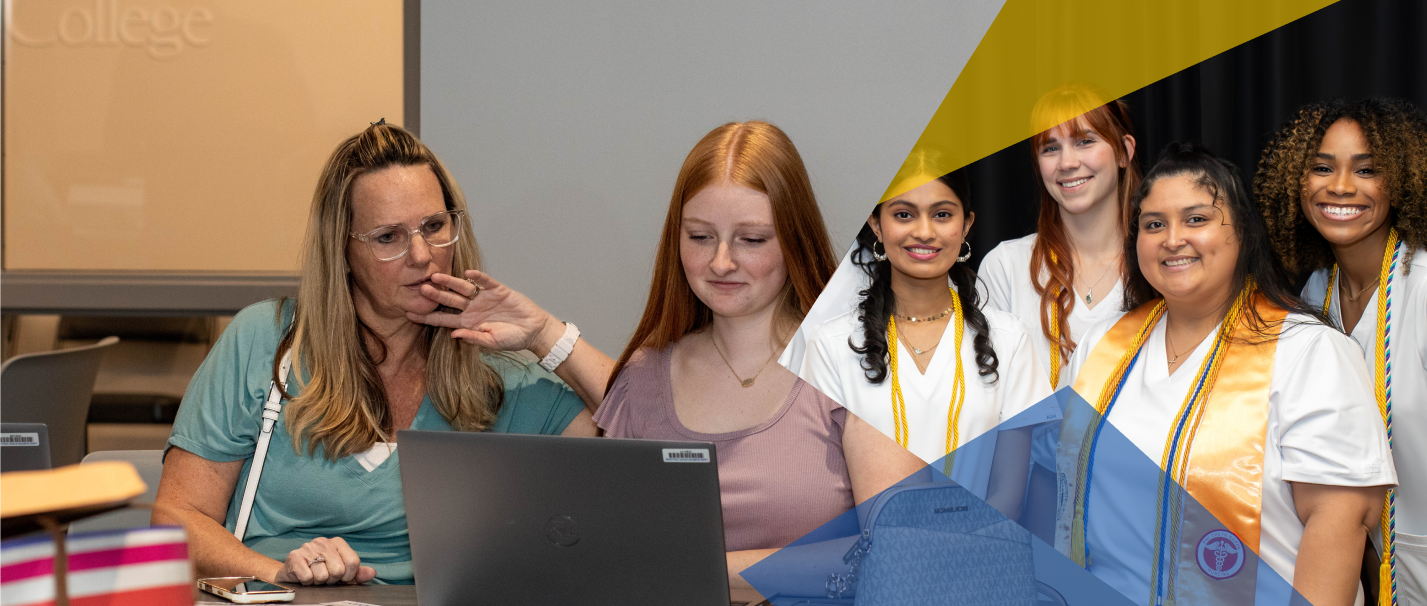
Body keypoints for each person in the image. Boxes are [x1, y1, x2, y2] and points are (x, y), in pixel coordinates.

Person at [411, 121, 924, 591]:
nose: (721, 261)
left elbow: (896, 552)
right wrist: (543, 332)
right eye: (700, 237)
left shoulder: (867, 364)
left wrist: (696, 571)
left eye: (751, 239)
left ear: (794, 238)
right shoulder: (645, 380)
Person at [153, 123, 597, 586]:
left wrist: (546, 335)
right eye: (389, 237)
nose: (422, 255)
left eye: (433, 226)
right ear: (342, 250)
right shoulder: (267, 341)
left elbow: (650, 439)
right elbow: (176, 520)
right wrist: (279, 574)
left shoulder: (500, 371)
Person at [1059, 142, 1393, 606]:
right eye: (1154, 224)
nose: (1173, 239)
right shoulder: (1102, 344)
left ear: (1243, 233)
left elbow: (1340, 518)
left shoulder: (1308, 351)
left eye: (1197, 219)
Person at [797, 157, 1051, 514]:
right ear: (876, 225)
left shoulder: (1009, 340)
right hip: (871, 558)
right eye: (904, 214)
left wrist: (948, 547)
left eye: (942, 214)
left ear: (966, 226)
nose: (924, 231)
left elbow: (1009, 494)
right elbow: (825, 492)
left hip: (981, 552)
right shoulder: (830, 345)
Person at [1255, 97, 1427, 606]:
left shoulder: (1422, 287)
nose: (1341, 187)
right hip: (1367, 569)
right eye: (1322, 168)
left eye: (1367, 169)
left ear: (1400, 182)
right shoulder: (1314, 293)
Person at [980, 85, 1141, 390]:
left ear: (1124, 151)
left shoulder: (1160, 263)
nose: (1067, 163)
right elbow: (989, 398)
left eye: (1084, 141)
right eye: (1050, 148)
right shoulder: (1005, 267)